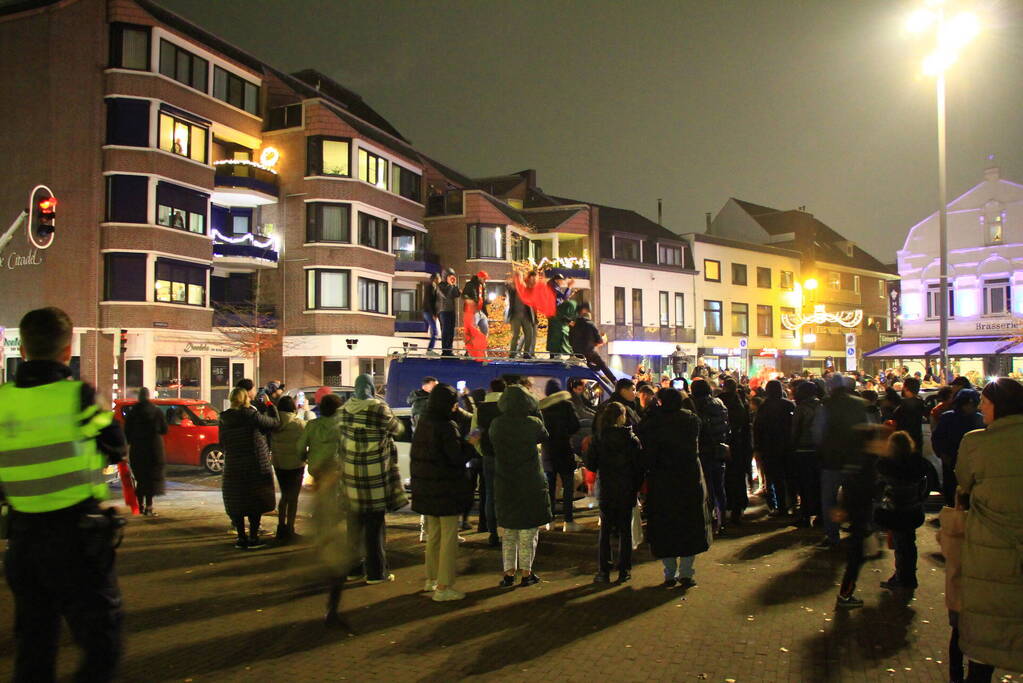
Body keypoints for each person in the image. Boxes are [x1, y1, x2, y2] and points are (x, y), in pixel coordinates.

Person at [0, 307, 127, 682]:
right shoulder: (79, 397)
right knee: (102, 641)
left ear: (22, 349)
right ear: (67, 350)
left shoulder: (3, 400)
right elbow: (116, 447)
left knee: (34, 646)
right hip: (77, 540)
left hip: (22, 541)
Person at [954, 378, 1023, 677]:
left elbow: (963, 482)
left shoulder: (976, 441)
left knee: (987, 620)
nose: (981, 408)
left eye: (985, 403)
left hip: (990, 545)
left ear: (999, 406)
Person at [638, 388, 711, 589]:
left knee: (665, 526)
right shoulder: (690, 420)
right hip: (688, 478)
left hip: (662, 480)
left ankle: (669, 573)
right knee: (690, 525)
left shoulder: (654, 422)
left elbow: (645, 446)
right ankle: (687, 572)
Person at [338, 374, 406, 584]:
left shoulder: (343, 410)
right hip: (375, 473)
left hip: (350, 475)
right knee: (375, 525)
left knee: (353, 526)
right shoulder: (379, 408)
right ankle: (376, 573)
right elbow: (399, 430)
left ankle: (353, 569)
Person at [410, 383, 473, 602]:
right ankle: (444, 586)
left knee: (433, 535)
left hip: (426, 488)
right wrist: (470, 445)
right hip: (445, 488)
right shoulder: (446, 426)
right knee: (448, 537)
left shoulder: (424, 422)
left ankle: (431, 579)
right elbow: (455, 457)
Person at [489, 384, 552, 587]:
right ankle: (527, 573)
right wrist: (537, 412)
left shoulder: (496, 424)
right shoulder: (532, 423)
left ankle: (508, 574)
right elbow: (545, 435)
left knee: (509, 532)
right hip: (530, 481)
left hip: (505, 481)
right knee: (528, 531)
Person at [585, 402, 645, 583]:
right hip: (626, 488)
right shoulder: (631, 439)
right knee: (625, 531)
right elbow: (639, 467)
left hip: (606, 488)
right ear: (621, 417)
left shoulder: (599, 438)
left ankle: (603, 570)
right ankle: (624, 570)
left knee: (605, 531)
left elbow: (591, 465)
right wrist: (637, 487)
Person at [219, 386, 280, 549]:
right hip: (254, 464)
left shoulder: (224, 418)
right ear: (246, 398)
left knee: (237, 501)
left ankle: (241, 537)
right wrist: (270, 405)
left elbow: (222, 442)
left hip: (233, 465)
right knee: (255, 500)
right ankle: (253, 537)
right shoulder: (251, 415)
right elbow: (274, 422)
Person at [816, 374, 870, 548]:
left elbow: (818, 433)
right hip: (855, 459)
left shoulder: (826, 405)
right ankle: (858, 530)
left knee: (829, 498)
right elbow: (866, 430)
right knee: (855, 496)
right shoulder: (859, 404)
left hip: (832, 460)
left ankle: (832, 535)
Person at [834, 423, 885, 608]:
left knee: (858, 554)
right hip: (861, 513)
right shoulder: (867, 462)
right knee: (856, 556)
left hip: (858, 512)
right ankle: (845, 595)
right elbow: (866, 488)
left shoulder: (856, 459)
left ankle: (846, 593)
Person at [873, 430, 928, 591]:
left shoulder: (887, 465)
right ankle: (908, 575)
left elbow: (879, 487)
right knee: (909, 544)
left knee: (901, 545)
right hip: (913, 509)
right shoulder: (917, 463)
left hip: (895, 510)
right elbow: (926, 484)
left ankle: (903, 577)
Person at [539, 379, 582, 532]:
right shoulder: (567, 406)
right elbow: (576, 425)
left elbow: (539, 431)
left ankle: (549, 521)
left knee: (550, 489)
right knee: (568, 487)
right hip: (564, 449)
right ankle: (568, 521)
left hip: (548, 452)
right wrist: (565, 433)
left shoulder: (542, 409)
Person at [931, 388, 984, 507]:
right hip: (957, 461)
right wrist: (943, 455)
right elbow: (938, 438)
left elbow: (937, 438)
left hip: (962, 461)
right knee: (955, 493)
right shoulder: (977, 419)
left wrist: (942, 454)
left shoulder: (977, 418)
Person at [691, 378, 731, 533]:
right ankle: (722, 520)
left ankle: (711, 520)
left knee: (707, 487)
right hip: (719, 449)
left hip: (704, 450)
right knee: (719, 486)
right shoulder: (719, 403)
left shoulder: (698, 405)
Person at [469, 378, 505, 546]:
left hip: (489, 456)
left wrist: (482, 451)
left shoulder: (480, 409)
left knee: (490, 494)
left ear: (490, 390)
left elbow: (473, 436)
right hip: (508, 457)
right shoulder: (508, 406)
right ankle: (510, 533)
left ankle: (493, 534)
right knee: (509, 495)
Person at [753, 379, 795, 517]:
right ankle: (792, 506)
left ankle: (776, 506)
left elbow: (757, 428)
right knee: (789, 478)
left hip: (769, 447)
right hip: (788, 446)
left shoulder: (764, 407)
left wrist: (757, 446)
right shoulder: (789, 405)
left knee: (773, 478)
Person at [124, 386, 168, 517]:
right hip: (153, 449)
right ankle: (149, 506)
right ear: (149, 396)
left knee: (140, 478)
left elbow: (127, 432)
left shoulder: (132, 412)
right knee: (151, 478)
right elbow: (164, 430)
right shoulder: (156, 411)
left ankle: (140, 505)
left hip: (137, 449)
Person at [271, 395, 306, 542]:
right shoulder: (299, 423)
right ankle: (290, 529)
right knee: (293, 498)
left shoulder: (274, 424)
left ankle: (281, 528)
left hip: (279, 464)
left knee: (284, 495)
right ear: (293, 407)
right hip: (296, 465)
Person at [718, 377, 751, 525]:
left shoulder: (719, 401)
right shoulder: (741, 402)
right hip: (738, 446)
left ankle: (724, 510)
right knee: (737, 478)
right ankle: (737, 508)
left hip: (722, 444)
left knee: (724, 479)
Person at [790, 380, 823, 528]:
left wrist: (793, 445)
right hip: (819, 450)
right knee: (817, 484)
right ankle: (820, 515)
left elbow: (795, 430)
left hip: (803, 449)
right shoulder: (821, 406)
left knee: (804, 484)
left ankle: (805, 515)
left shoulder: (801, 408)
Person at [569, 302, 616, 384]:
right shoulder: (591, 324)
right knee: (601, 364)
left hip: (576, 354)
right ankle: (614, 381)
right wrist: (603, 340)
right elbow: (599, 341)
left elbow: (571, 340)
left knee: (592, 366)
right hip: (589, 353)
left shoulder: (574, 326)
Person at [297, 393, 343, 478]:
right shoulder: (343, 427)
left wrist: (305, 458)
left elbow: (300, 447)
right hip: (335, 468)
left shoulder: (311, 425)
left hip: (315, 467)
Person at [893, 376, 926, 460]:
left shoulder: (904, 404)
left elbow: (896, 418)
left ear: (906, 388)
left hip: (904, 440)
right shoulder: (921, 403)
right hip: (917, 438)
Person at [507, 270, 537, 358]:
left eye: (519, 276)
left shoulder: (526, 287)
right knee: (516, 334)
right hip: (515, 315)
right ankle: (512, 353)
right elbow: (509, 289)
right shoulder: (512, 287)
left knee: (529, 334)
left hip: (526, 315)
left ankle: (526, 353)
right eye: (516, 276)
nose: (518, 278)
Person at [462, 271, 489, 358]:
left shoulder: (483, 286)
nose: (485, 280)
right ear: (479, 277)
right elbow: (464, 295)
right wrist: (469, 300)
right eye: (484, 278)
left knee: (485, 330)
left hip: (481, 311)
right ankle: (468, 352)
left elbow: (483, 299)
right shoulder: (470, 284)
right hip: (473, 311)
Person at [437, 268, 461, 357]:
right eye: (450, 276)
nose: (452, 278)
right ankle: (445, 351)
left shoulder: (450, 286)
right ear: (445, 276)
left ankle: (449, 350)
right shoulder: (440, 286)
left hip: (451, 310)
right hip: (444, 311)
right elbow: (446, 295)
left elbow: (457, 294)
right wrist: (450, 285)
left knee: (451, 331)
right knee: (446, 331)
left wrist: (454, 285)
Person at [423, 272, 441, 353]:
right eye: (439, 278)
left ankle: (430, 350)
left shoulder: (435, 287)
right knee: (435, 331)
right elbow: (429, 302)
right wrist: (433, 314)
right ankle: (429, 350)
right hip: (428, 312)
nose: (440, 279)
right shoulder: (430, 287)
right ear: (435, 279)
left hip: (429, 312)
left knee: (433, 331)